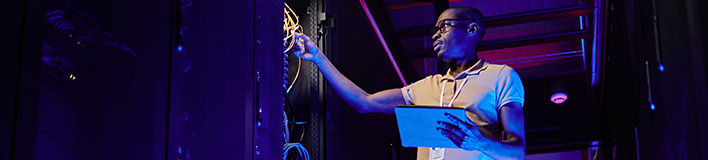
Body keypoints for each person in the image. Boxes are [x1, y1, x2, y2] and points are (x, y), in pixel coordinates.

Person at [292, 7, 525, 160]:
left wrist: (479, 141)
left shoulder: (501, 76)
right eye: (434, 30)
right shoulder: (424, 86)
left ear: (472, 29)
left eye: (444, 27)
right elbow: (364, 102)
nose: (435, 35)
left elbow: (517, 150)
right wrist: (317, 57)